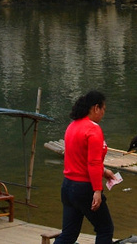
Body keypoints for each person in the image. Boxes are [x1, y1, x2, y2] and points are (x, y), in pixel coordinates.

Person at [57, 91, 117, 244]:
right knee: (105, 228)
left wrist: (104, 172)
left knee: (68, 234)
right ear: (96, 108)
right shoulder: (93, 129)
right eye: (103, 109)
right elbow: (93, 162)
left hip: (68, 186)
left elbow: (78, 158)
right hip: (84, 187)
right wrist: (97, 190)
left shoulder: (72, 126)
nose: (103, 113)